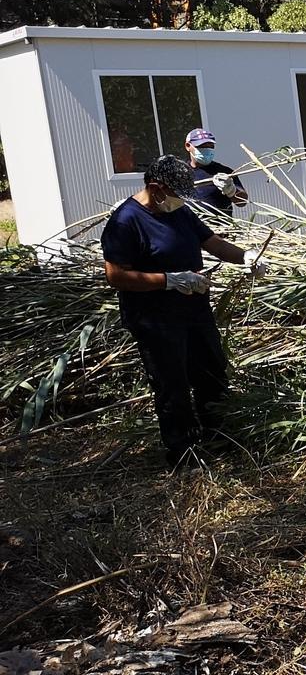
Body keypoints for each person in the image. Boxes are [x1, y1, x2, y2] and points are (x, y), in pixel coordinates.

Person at [100, 154, 267, 468]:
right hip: (156, 319)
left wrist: (246, 256)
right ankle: (184, 453)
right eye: (177, 195)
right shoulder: (126, 221)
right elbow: (116, 276)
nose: (181, 201)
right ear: (156, 189)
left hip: (194, 311)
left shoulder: (179, 212)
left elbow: (212, 242)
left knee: (211, 373)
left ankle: (220, 440)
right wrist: (169, 280)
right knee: (172, 384)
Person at [184, 128, 248, 217]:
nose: (207, 150)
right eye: (202, 146)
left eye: (210, 146)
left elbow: (242, 202)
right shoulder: (181, 173)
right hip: (189, 225)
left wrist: (231, 190)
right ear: (188, 146)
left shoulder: (224, 172)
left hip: (219, 224)